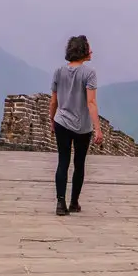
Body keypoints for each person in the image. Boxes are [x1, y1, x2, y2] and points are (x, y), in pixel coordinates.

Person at [49, 34, 103, 216]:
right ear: (83, 51)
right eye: (88, 48)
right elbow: (91, 102)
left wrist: (51, 120)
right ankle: (74, 203)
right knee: (79, 164)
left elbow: (53, 101)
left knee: (63, 162)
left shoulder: (58, 71)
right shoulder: (89, 73)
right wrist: (98, 128)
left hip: (62, 122)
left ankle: (60, 204)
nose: (91, 51)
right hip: (83, 127)